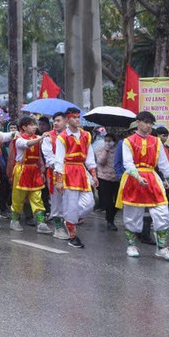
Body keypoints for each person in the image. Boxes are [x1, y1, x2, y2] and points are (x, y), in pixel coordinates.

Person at [116, 111, 169, 260]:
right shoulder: (128, 141)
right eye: (146, 122)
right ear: (138, 123)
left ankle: (161, 248)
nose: (149, 126)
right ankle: (131, 245)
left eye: (151, 123)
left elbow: (163, 164)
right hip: (133, 179)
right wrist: (137, 176)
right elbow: (128, 163)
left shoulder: (156, 142)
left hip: (152, 178)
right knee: (132, 214)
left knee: (162, 212)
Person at [54, 107, 97, 249]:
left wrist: (94, 174)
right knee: (71, 204)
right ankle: (72, 236)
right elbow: (59, 160)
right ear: (67, 120)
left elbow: (90, 157)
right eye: (73, 117)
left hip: (82, 171)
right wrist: (59, 180)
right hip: (69, 171)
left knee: (89, 203)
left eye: (78, 117)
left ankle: (70, 220)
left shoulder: (86, 135)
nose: (77, 120)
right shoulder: (62, 137)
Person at [8, 116, 51, 234]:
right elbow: (27, 144)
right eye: (31, 125)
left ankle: (41, 223)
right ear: (24, 127)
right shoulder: (19, 139)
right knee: (18, 197)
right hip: (22, 170)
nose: (35, 127)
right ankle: (14, 220)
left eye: (34, 125)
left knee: (37, 196)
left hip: (34, 170)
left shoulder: (37, 137)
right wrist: (41, 137)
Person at [41, 112, 68, 239]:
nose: (56, 123)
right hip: (54, 173)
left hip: (72, 173)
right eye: (54, 121)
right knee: (57, 200)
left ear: (66, 121)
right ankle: (58, 227)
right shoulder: (48, 137)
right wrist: (61, 165)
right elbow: (49, 158)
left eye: (59, 121)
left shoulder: (73, 135)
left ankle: (69, 222)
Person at [95, 132, 120, 231]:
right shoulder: (100, 150)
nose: (107, 143)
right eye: (106, 141)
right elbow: (101, 161)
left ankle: (110, 216)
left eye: (109, 141)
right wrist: (106, 150)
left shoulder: (119, 150)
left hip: (117, 178)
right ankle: (110, 221)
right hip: (104, 178)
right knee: (108, 202)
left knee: (119, 202)